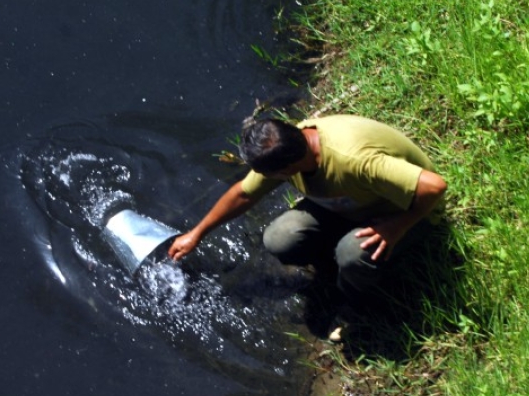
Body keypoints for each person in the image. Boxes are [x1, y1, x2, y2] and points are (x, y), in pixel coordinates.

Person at [167, 114, 447, 299]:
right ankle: (333, 262)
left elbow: (434, 187)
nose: (264, 178)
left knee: (351, 253)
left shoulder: (354, 160)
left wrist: (396, 226)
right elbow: (244, 194)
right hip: (349, 204)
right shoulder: (288, 145)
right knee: (280, 238)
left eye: (270, 174)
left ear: (287, 169)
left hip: (402, 211)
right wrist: (197, 233)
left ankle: (354, 300)